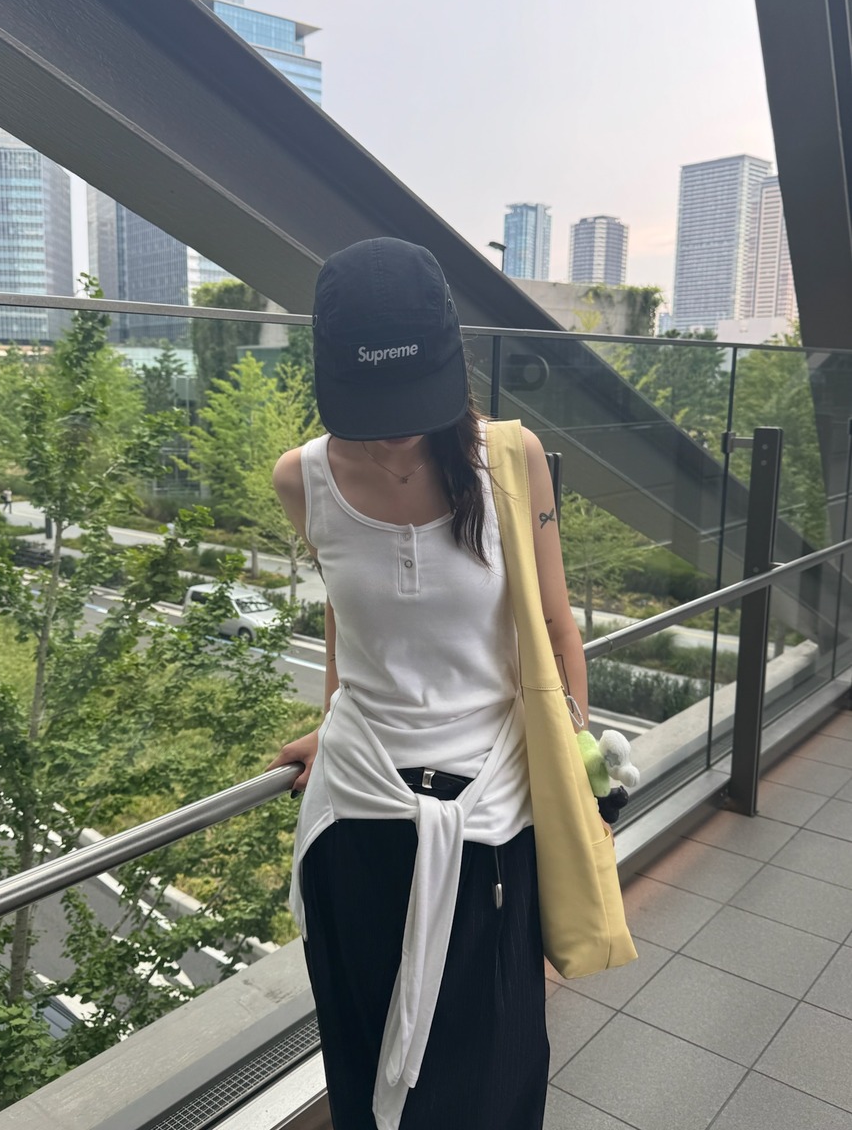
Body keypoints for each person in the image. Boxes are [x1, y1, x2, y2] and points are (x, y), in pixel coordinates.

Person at [269, 238, 589, 1130]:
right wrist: (333, 719)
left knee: (498, 1069)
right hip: (357, 816)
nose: (393, 428)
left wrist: (577, 760)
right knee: (365, 1066)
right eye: (372, 407)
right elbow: (347, 609)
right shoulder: (301, 479)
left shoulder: (512, 460)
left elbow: (557, 625)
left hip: (492, 817)